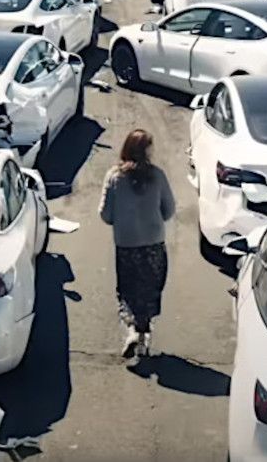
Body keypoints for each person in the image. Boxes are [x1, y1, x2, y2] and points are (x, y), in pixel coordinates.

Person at [99, 129, 176, 359]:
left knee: (129, 289)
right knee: (150, 288)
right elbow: (169, 210)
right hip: (153, 243)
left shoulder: (114, 177)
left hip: (126, 244)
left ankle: (134, 331)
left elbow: (105, 215)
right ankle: (144, 333)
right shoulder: (157, 176)